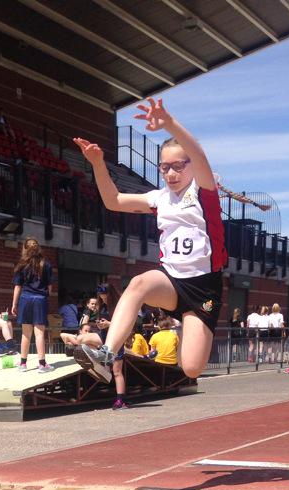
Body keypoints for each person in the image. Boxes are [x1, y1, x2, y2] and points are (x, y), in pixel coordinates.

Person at [73, 96, 225, 381]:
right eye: (164, 167)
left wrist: (169, 123)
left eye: (177, 166)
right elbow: (113, 200)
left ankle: (191, 327)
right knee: (138, 283)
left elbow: (200, 155)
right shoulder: (159, 198)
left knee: (191, 368)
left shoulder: (205, 192)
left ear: (190, 166)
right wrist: (97, 164)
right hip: (171, 280)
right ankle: (107, 354)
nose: (170, 173)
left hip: (204, 287)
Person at [11, 236, 53, 373]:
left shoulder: (21, 265)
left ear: (25, 248)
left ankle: (23, 364)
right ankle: (42, 364)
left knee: (25, 334)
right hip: (40, 299)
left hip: (25, 299)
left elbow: (17, 287)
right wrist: (46, 297)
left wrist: (14, 304)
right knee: (39, 334)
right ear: (38, 247)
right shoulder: (46, 264)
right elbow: (50, 287)